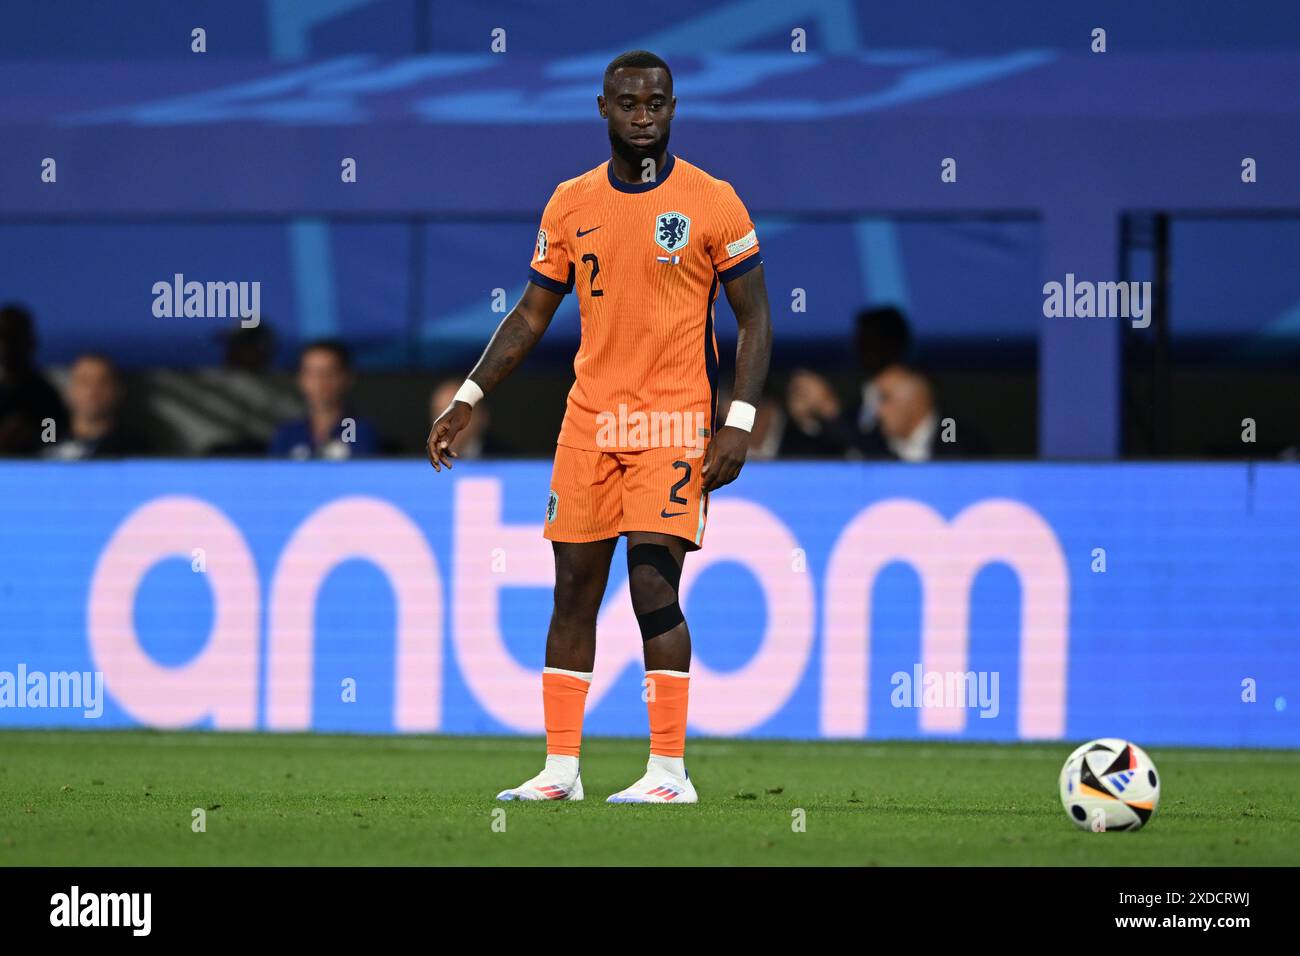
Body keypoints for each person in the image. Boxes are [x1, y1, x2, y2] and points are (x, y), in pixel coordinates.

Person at [427, 50, 772, 805]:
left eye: (655, 104)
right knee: (572, 593)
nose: (642, 116)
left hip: (675, 424)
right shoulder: (571, 204)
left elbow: (754, 319)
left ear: (673, 108)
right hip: (589, 423)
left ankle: (669, 772)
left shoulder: (713, 202)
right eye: (628, 104)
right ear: (603, 108)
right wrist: (469, 396)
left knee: (653, 585)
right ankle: (560, 770)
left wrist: (736, 422)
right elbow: (530, 315)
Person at [270, 339, 379, 459]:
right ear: (300, 379)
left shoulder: (360, 431)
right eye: (312, 373)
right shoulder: (288, 434)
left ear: (347, 377)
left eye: (329, 373)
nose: (320, 382)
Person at [45, 354, 149, 460]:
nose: (93, 391)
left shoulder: (134, 449)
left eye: (103, 382)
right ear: (69, 390)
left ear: (118, 391)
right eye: (84, 381)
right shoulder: (49, 439)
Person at [0, 304, 67, 456]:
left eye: (14, 338)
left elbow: (52, 437)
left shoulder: (45, 393)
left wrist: (31, 434)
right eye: (3, 337)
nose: (6, 347)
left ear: (30, 342)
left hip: (30, 465)